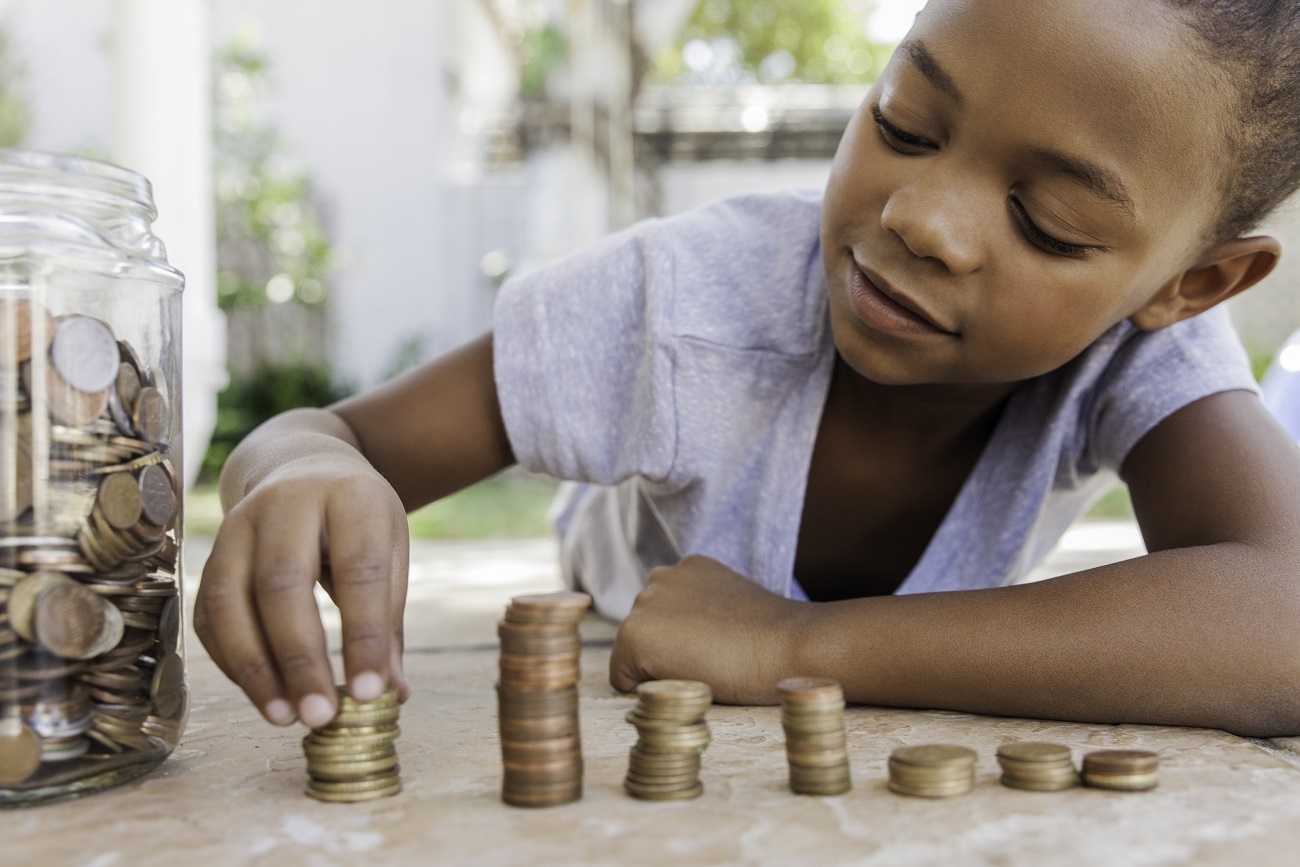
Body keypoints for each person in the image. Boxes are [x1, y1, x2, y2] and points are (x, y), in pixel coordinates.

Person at [195, 0, 1300, 738]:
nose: (921, 219)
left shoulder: (1142, 343)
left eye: (1047, 222)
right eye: (905, 124)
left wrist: (791, 644)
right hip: (624, 567)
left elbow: (1282, 616)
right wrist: (295, 471)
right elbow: (333, 438)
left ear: (1190, 284)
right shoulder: (678, 305)